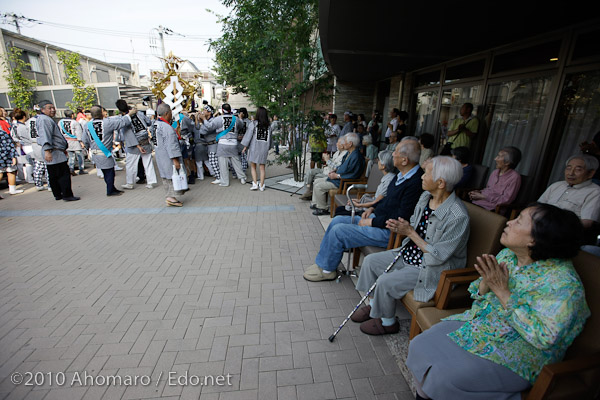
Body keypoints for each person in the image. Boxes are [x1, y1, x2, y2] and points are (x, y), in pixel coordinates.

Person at [406, 204, 590, 400]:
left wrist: (503, 292)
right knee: (420, 345)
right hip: (483, 325)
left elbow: (544, 338)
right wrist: (486, 283)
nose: (509, 222)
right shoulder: (509, 256)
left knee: (444, 377)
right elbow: (477, 292)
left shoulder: (564, 286)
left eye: (518, 220)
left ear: (535, 239)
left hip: (521, 353)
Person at [351, 156, 469, 335]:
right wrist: (400, 228)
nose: (421, 176)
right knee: (370, 262)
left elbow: (438, 256)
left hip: (431, 267)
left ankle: (388, 322)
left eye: (426, 173)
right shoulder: (425, 197)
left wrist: (410, 232)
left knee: (385, 281)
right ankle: (375, 306)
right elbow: (414, 224)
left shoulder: (457, 216)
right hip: (410, 252)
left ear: (441, 183)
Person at [303, 140, 424, 282]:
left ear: (404, 160)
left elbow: (400, 217)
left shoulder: (415, 184)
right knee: (337, 220)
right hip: (378, 219)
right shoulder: (401, 175)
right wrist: (372, 207)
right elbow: (388, 200)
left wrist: (371, 221)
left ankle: (327, 270)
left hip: (388, 231)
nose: (392, 154)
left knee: (339, 231)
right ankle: (323, 263)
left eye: (395, 152)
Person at [82, 105, 136, 197]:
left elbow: (85, 140)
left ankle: (111, 188)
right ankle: (110, 190)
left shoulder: (87, 125)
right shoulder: (107, 123)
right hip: (104, 153)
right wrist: (129, 114)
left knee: (105, 172)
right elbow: (122, 122)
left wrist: (87, 148)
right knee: (110, 173)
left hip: (95, 153)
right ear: (101, 113)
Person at [538, 154, 600, 229]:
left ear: (590, 173)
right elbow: (538, 207)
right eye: (568, 168)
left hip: (561, 232)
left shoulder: (595, 192)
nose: (571, 173)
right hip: (539, 226)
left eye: (578, 170)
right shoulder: (556, 185)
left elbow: (587, 222)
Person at [310, 132, 365, 215]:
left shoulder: (356, 157)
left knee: (319, 186)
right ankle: (316, 203)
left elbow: (353, 175)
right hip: (338, 178)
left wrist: (337, 175)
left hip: (343, 182)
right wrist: (334, 171)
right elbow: (342, 167)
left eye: (345, 141)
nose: (344, 143)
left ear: (350, 144)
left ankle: (323, 208)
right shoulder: (349, 153)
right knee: (317, 181)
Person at [36, 100, 79, 201]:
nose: (52, 110)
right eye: (49, 108)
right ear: (42, 110)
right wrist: (47, 150)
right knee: (62, 174)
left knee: (54, 174)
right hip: (53, 151)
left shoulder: (44, 119)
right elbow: (45, 136)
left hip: (55, 150)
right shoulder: (44, 120)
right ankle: (66, 194)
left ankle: (58, 194)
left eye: (53, 107)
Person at [335, 149, 397, 216]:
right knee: (340, 209)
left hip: (373, 209)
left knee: (340, 211)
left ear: (383, 166)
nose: (377, 161)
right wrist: (359, 201)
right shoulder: (386, 177)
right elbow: (377, 197)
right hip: (371, 204)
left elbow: (377, 202)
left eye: (379, 160)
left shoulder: (389, 180)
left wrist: (359, 205)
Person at [198, 103, 246, 187]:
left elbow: (209, 126)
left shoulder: (219, 118)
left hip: (222, 143)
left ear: (222, 110)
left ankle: (225, 182)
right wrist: (241, 118)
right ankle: (242, 178)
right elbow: (241, 125)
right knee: (236, 161)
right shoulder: (236, 119)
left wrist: (204, 119)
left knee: (223, 164)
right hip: (234, 143)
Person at [115, 100, 157, 190]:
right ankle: (151, 182)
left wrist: (137, 145)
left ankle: (130, 182)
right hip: (145, 139)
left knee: (131, 164)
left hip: (134, 143)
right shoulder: (139, 113)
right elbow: (149, 122)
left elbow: (128, 133)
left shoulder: (123, 119)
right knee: (148, 162)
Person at [469, 146, 522, 211]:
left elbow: (506, 200)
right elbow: (489, 189)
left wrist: (483, 196)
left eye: (499, 157)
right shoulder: (495, 172)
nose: (495, 159)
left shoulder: (515, 177)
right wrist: (479, 192)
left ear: (507, 162)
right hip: (477, 203)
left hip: (491, 209)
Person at [154, 103, 185, 207]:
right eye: (171, 112)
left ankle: (170, 196)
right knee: (172, 175)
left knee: (166, 176)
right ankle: (171, 197)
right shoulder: (166, 127)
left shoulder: (155, 124)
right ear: (167, 113)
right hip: (167, 156)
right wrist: (175, 159)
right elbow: (171, 144)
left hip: (160, 154)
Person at [300, 136, 348, 201]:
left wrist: (327, 160)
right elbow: (333, 162)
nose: (336, 144)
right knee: (310, 172)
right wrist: (327, 159)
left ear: (342, 146)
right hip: (326, 169)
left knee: (314, 177)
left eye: (338, 143)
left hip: (330, 173)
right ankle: (308, 191)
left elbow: (337, 168)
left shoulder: (345, 155)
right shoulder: (337, 152)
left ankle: (312, 195)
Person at [241, 106, 273, 191]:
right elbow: (270, 139)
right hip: (263, 149)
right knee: (262, 168)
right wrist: (268, 147)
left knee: (253, 166)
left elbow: (248, 136)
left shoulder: (254, 123)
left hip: (254, 148)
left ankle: (255, 183)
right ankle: (262, 185)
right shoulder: (268, 126)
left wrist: (245, 146)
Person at [58, 109, 87, 176]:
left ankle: (71, 168)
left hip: (66, 141)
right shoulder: (74, 122)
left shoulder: (60, 122)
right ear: (72, 115)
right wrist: (81, 142)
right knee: (79, 155)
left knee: (71, 156)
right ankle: (81, 169)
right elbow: (79, 133)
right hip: (75, 141)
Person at [0, 125, 23, 197]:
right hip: (7, 156)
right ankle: (12, 189)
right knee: (11, 172)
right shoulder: (3, 133)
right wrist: (14, 156)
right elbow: (10, 145)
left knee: (1, 172)